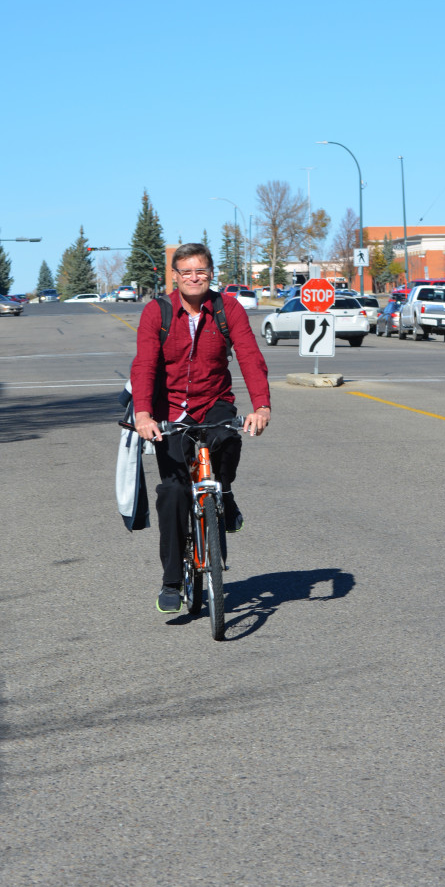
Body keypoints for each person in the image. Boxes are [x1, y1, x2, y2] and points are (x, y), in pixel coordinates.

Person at [132, 243, 271, 613]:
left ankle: (223, 492)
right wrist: (144, 415)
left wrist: (261, 406)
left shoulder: (229, 309)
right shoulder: (156, 312)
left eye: (201, 272)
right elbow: (144, 365)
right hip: (171, 411)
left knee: (228, 439)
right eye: (186, 272)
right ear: (175, 277)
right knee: (174, 493)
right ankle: (172, 581)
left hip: (214, 402)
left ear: (211, 274)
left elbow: (249, 356)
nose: (194, 278)